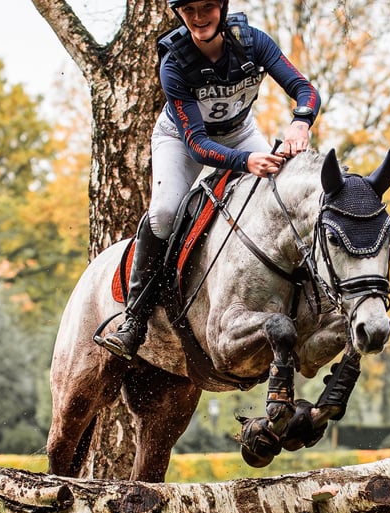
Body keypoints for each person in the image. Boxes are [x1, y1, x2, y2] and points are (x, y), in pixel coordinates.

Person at [98, 0, 322, 360]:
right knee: (165, 213)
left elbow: (304, 89)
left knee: (281, 198)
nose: (199, 18)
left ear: (222, 6)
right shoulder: (173, 63)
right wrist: (247, 161)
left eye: (207, 7)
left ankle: (315, 298)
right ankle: (134, 320)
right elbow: (198, 146)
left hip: (240, 132)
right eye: (189, 11)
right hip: (182, 140)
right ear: (179, 14)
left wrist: (300, 121)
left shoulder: (254, 43)